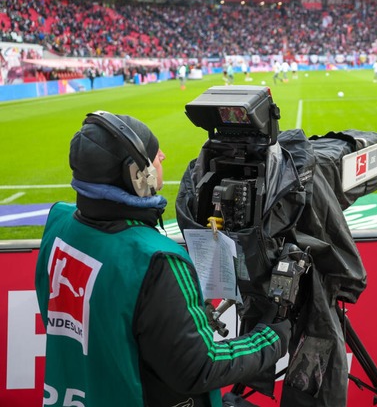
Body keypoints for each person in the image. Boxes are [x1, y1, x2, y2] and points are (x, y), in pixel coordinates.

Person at [35, 112, 291, 407]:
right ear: (136, 175)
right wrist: (272, 338)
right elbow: (201, 368)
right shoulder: (157, 259)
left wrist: (171, 317)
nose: (164, 157)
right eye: (155, 155)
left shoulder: (59, 221)